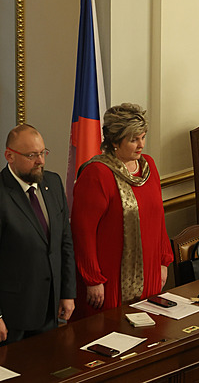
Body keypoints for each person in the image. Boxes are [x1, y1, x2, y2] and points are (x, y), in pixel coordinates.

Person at [71, 103, 173, 318]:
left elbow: (158, 218)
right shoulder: (96, 174)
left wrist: (164, 261)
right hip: (109, 280)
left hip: (150, 273)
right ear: (115, 141)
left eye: (143, 137)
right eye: (133, 139)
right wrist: (93, 279)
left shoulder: (149, 166)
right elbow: (83, 232)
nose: (141, 145)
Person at [0, 125, 75, 345]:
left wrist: (67, 292)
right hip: (13, 317)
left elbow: (65, 243)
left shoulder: (53, 182)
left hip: (51, 310)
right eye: (32, 155)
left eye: (43, 153)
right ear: (9, 156)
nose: (40, 161)